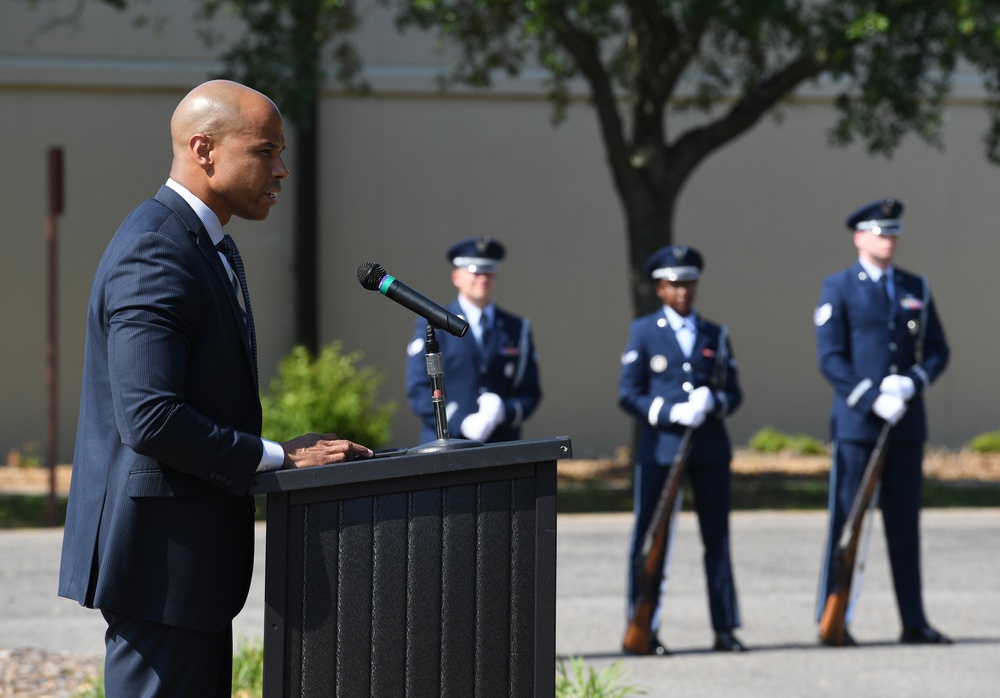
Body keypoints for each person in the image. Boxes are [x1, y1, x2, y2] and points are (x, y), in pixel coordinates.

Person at [58, 80, 373, 696]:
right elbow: (149, 416)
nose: (281, 170)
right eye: (265, 151)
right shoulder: (157, 248)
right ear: (204, 149)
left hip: (185, 569)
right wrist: (277, 457)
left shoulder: (202, 243)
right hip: (160, 566)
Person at [814, 197, 950, 647]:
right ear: (859, 237)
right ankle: (833, 617)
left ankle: (914, 620)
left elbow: (937, 350)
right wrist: (871, 398)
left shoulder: (917, 286)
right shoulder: (838, 287)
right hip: (858, 427)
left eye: (892, 233)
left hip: (906, 426)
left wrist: (912, 382)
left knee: (904, 526)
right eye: (879, 232)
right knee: (847, 525)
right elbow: (830, 359)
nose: (887, 240)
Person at [618, 245, 745, 655]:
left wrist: (715, 403)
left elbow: (734, 392)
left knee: (717, 539)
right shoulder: (644, 332)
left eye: (689, 282)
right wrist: (669, 411)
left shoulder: (716, 334)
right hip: (663, 449)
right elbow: (629, 394)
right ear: (659, 288)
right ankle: (643, 626)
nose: (683, 291)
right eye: (674, 284)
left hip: (709, 449)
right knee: (651, 538)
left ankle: (725, 628)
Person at [405, 236, 541, 445]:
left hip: (501, 445)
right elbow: (418, 390)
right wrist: (461, 421)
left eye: (489, 271)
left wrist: (503, 411)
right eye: (475, 271)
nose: (483, 278)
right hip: (447, 444)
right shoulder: (432, 324)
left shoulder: (517, 328)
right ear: (456, 277)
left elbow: (530, 391)